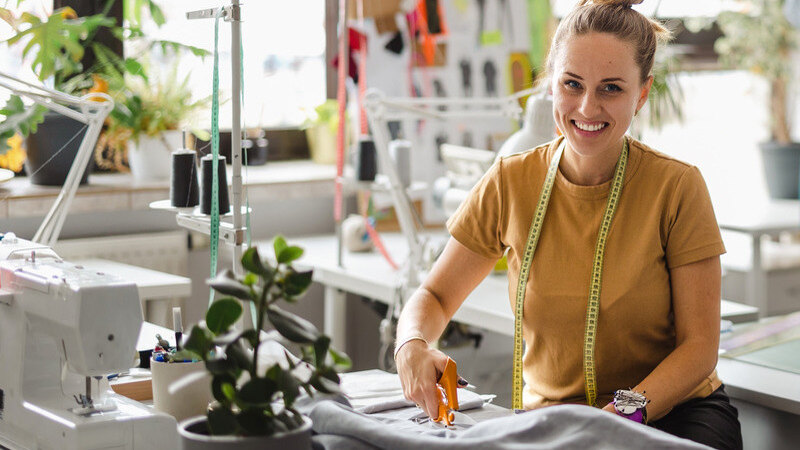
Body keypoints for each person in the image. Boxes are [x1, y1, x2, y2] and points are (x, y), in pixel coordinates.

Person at [393, 1, 743, 449]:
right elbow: (434, 296)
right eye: (572, 84)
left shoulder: (677, 187)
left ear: (642, 93)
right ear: (550, 85)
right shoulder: (510, 180)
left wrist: (619, 415)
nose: (587, 106)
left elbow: (698, 349)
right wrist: (412, 343)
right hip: (555, 422)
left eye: (611, 88)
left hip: (670, 411)